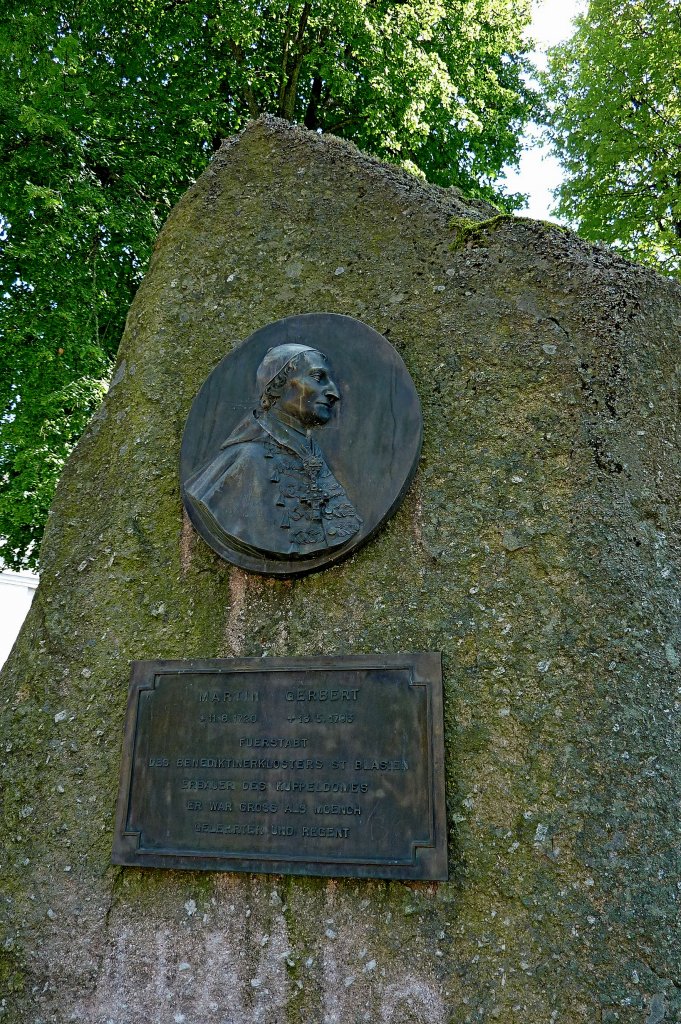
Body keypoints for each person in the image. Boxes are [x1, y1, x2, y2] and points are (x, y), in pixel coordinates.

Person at [184, 344, 362, 560]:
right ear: (277, 386)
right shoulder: (246, 460)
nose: (334, 392)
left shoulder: (311, 455)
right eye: (317, 377)